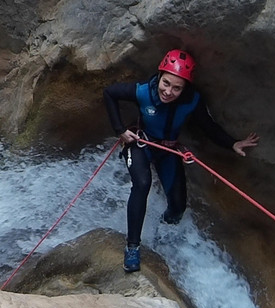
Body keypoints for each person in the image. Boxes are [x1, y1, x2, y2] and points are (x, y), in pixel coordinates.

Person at [103, 49, 259, 273]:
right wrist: (120, 130)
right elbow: (110, 93)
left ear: (185, 87)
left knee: (178, 206)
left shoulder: (191, 101)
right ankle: (133, 247)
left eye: (177, 87)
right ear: (159, 75)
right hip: (141, 145)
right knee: (143, 184)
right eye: (166, 83)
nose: (168, 91)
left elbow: (208, 126)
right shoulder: (144, 91)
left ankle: (163, 233)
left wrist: (232, 143)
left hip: (168, 151)